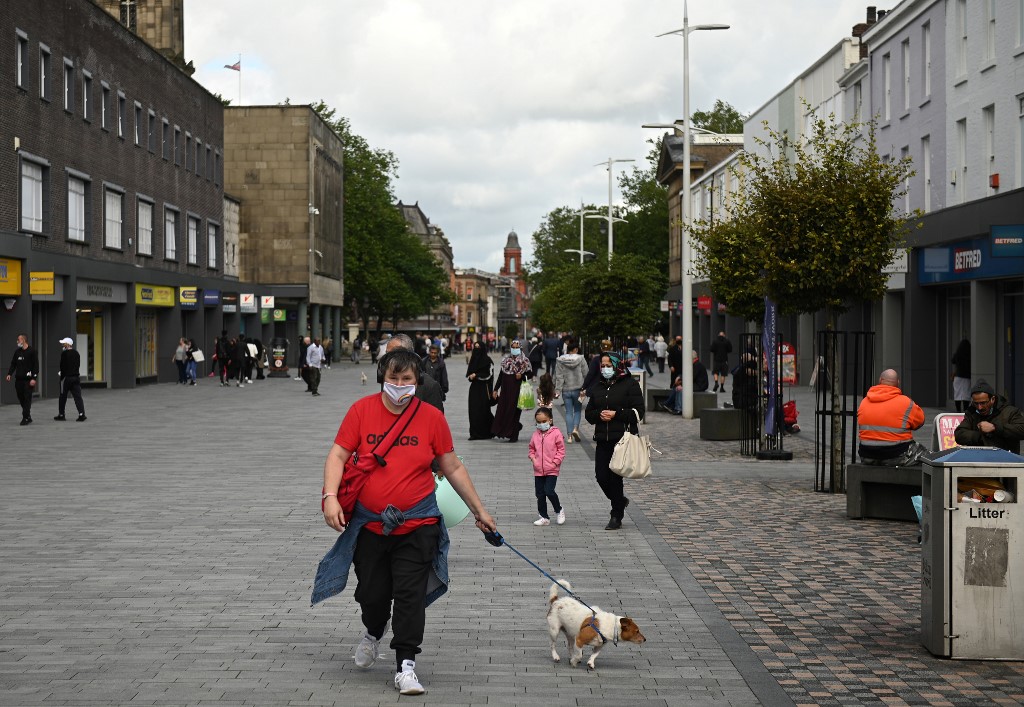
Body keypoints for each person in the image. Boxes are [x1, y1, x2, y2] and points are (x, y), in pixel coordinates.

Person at [313, 348, 497, 696]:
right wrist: (331, 497)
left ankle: (406, 665)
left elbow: (452, 466)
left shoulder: (430, 418)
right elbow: (338, 454)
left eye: (407, 379)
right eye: (393, 378)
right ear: (382, 376)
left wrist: (479, 511)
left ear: (417, 381)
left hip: (418, 524)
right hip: (370, 526)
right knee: (373, 594)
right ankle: (372, 630)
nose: (399, 385)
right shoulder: (361, 411)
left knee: (409, 595)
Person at [584, 352, 644, 530]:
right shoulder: (598, 386)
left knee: (615, 477)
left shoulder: (630, 384)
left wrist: (616, 413)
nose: (605, 368)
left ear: (617, 365)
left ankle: (616, 515)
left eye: (608, 365)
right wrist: (600, 415)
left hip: (622, 439)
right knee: (601, 477)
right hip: (603, 438)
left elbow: (638, 413)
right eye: (602, 365)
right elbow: (589, 414)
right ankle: (620, 501)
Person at [857, 369, 927, 466]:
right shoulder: (906, 403)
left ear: (880, 380)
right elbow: (920, 422)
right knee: (927, 457)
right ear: (898, 382)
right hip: (896, 455)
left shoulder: (864, 402)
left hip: (867, 455)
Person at [954, 379, 1024, 454]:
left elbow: (1021, 430)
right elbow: (959, 435)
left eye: (983, 403)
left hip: (1006, 459)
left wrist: (995, 428)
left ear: (992, 399)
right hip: (978, 458)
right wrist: (981, 437)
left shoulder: (1010, 412)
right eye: (976, 403)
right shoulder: (971, 412)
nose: (979, 407)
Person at [386, 334, 444, 412]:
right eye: (387, 354)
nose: (387, 358)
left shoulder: (430, 386)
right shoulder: (386, 381)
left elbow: (436, 420)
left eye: (393, 354)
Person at [528, 407, 566, 526]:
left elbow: (561, 450)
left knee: (549, 491)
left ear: (550, 420)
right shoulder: (535, 435)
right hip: (538, 470)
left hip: (552, 470)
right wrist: (533, 459)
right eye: (538, 422)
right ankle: (544, 516)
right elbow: (531, 449)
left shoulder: (556, 433)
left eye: (544, 421)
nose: (541, 424)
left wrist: (555, 462)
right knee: (540, 493)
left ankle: (559, 510)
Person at [492, 339, 533, 442]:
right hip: (505, 390)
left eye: (517, 347)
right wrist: (496, 389)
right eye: (513, 347)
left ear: (520, 348)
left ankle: (514, 434)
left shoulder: (525, 361)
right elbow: (501, 376)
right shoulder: (506, 360)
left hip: (517, 390)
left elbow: (530, 374)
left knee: (514, 412)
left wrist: (522, 376)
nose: (515, 349)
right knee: (504, 411)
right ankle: (510, 430)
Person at [553, 341, 585, 442]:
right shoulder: (581, 359)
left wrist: (557, 390)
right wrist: (585, 388)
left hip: (566, 390)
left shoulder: (560, 360)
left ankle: (569, 436)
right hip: (578, 389)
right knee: (577, 411)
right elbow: (586, 373)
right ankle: (575, 428)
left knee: (568, 412)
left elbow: (558, 376)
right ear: (575, 349)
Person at [7, 333, 39, 425]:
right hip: (19, 380)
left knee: (27, 398)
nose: (17, 342)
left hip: (28, 380)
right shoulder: (17, 352)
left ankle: (25, 418)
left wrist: (34, 378)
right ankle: (28, 415)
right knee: (21, 397)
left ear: (23, 340)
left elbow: (36, 366)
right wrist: (9, 374)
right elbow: (13, 364)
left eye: (18, 340)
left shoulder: (32, 351)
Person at [465, 341, 494, 440]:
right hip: (474, 389)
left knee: (483, 410)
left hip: (484, 389)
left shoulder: (488, 360)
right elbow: (469, 376)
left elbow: (489, 375)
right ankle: (474, 433)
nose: (477, 349)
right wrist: (471, 377)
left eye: (479, 347)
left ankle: (487, 432)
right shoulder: (473, 360)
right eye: (475, 347)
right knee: (473, 411)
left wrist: (476, 375)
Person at [54, 337, 86, 422]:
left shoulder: (64, 354)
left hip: (66, 378)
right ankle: (81, 414)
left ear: (67, 344)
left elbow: (62, 366)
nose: (62, 345)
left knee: (62, 396)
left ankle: (61, 414)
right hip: (76, 377)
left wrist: (61, 375)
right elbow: (77, 365)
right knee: (78, 396)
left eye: (63, 343)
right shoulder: (76, 353)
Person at [951, 339, 971, 412]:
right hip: (967, 376)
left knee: (957, 394)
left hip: (958, 376)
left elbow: (953, 361)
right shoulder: (970, 354)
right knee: (966, 394)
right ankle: (966, 409)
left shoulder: (958, 354)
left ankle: (958, 410)